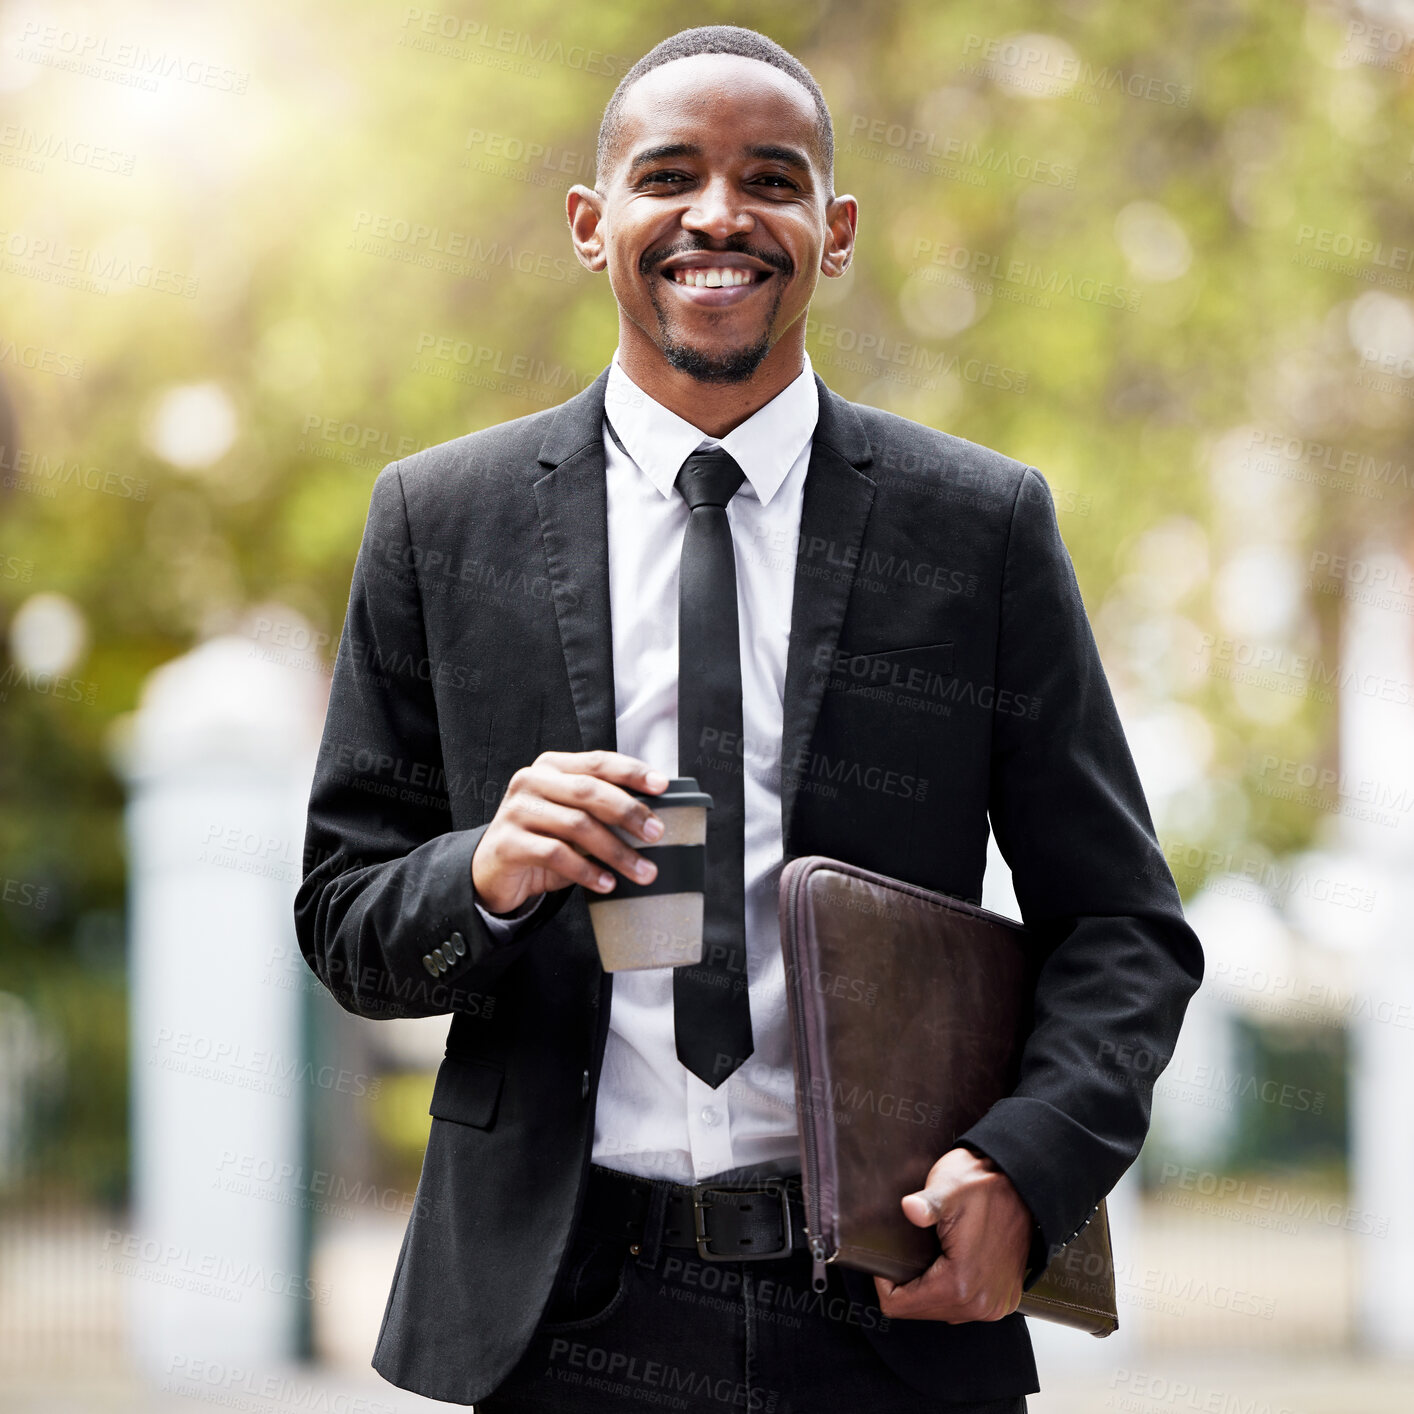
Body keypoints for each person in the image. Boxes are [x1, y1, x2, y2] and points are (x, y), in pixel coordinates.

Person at [295, 24, 1203, 1413]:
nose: (718, 213)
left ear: (833, 232)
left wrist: (1027, 1165)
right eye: (669, 175)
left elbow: (1122, 926)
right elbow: (347, 920)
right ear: (591, 224)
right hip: (557, 1315)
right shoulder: (438, 521)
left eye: (769, 180)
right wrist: (480, 871)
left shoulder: (976, 527)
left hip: (884, 1308)